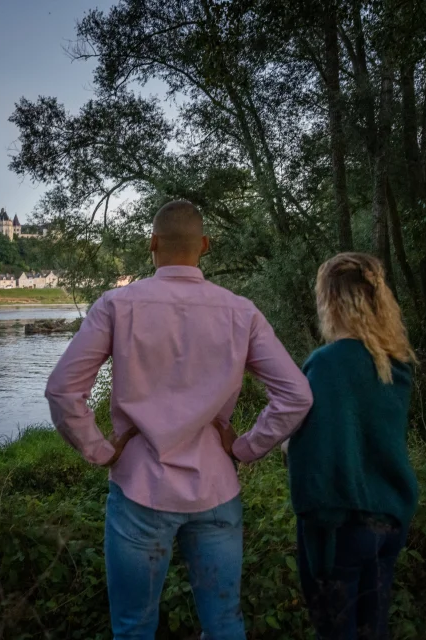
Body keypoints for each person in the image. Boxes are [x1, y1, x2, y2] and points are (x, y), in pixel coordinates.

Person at [45, 200, 313, 640]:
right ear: (204, 246)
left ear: (152, 244)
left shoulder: (117, 305)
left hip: (139, 490)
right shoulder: (240, 311)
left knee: (133, 628)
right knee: (224, 622)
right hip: (216, 489)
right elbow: (296, 394)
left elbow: (62, 389)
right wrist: (245, 447)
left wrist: (99, 449)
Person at [286, 253, 419, 640]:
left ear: (329, 299)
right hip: (390, 519)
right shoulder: (395, 362)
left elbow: (318, 456)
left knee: (337, 631)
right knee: (372, 629)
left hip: (343, 526)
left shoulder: (327, 364)